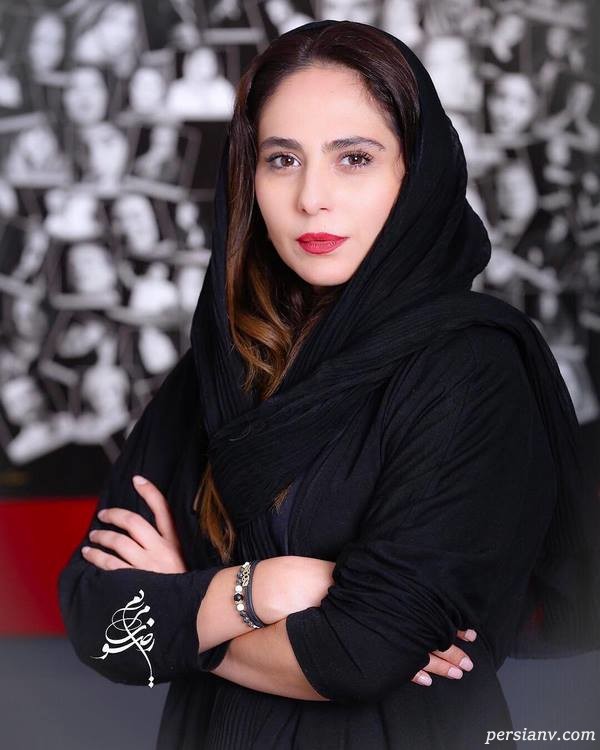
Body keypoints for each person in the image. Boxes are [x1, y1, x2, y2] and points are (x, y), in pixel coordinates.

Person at [57, 19, 600, 749]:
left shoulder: (470, 366)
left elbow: (363, 650)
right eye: (282, 159)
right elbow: (97, 620)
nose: (312, 196)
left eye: (354, 158)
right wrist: (270, 588)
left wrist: (192, 615)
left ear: (416, 173)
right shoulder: (218, 367)